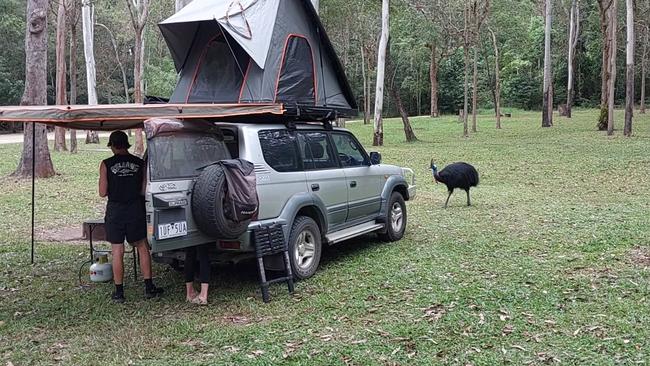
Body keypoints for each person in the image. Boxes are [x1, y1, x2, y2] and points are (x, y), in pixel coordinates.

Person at [99, 130, 164, 303]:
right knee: (142, 246)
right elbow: (144, 190)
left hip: (115, 211)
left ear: (112, 145)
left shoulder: (106, 164)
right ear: (126, 144)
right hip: (135, 209)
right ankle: (149, 287)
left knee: (117, 250)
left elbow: (102, 192)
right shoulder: (139, 163)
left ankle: (119, 292)